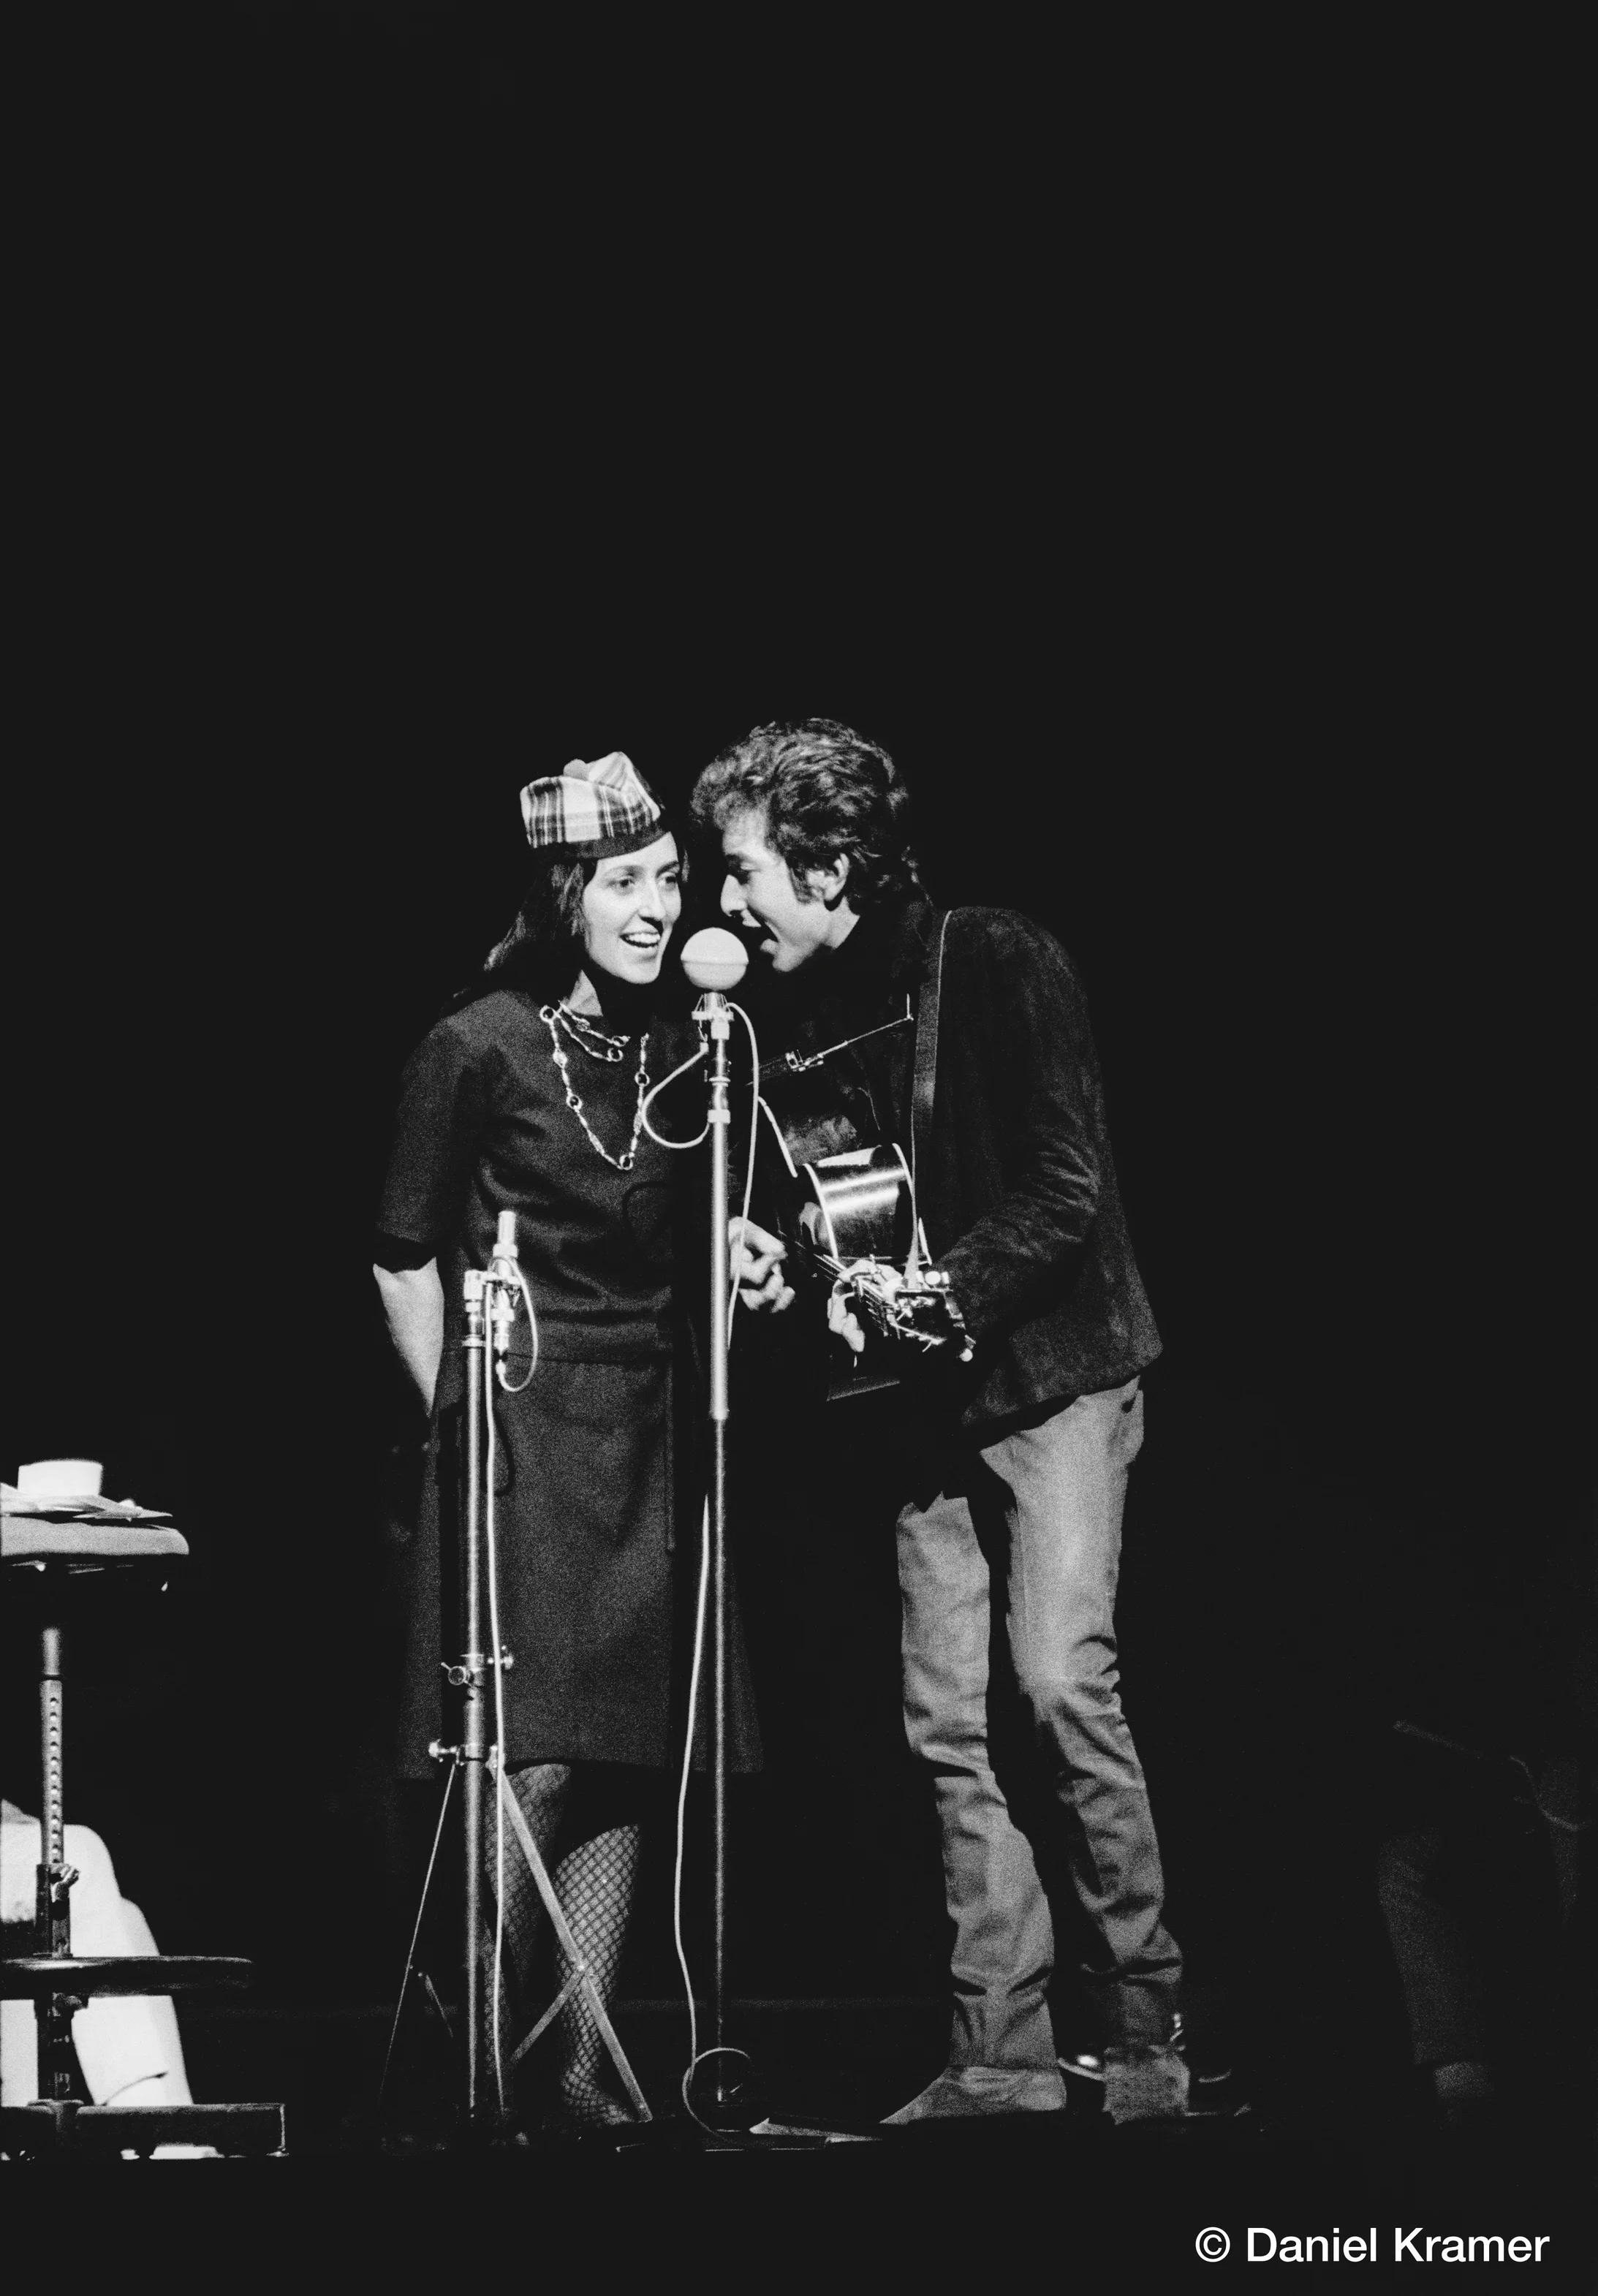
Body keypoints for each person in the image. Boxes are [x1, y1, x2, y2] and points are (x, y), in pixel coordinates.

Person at [694, 718, 1186, 2126]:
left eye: (742, 875)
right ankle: (1000, 2057)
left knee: (1055, 1683)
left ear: (831, 865)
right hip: (921, 1408)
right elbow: (840, 1207)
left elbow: (1059, 1188)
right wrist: (783, 1261)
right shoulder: (784, 1018)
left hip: (1049, 1375)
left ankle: (1146, 2028)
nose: (722, 905)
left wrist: (939, 1296)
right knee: (946, 1729)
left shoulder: (995, 956)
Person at [374, 751, 719, 2134]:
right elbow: (402, 1254)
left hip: (649, 1424)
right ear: (568, 890)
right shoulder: (476, 1041)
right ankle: (464, 2061)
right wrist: (460, 1417)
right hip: (521, 1426)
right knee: (535, 1754)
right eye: (628, 882)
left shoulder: (680, 1042)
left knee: (631, 1752)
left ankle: (576, 2062)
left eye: (671, 879)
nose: (657, 906)